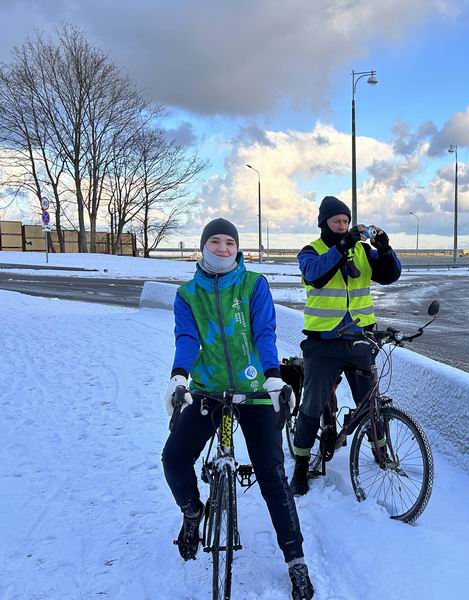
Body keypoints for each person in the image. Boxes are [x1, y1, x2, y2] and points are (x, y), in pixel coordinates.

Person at [161, 218, 314, 599]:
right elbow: (187, 337)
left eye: (230, 242)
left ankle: (295, 559)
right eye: (215, 241)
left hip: (256, 390)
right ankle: (194, 512)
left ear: (237, 248)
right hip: (208, 390)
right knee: (174, 458)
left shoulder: (253, 285)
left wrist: (274, 377)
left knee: (272, 476)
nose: (223, 248)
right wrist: (179, 377)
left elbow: (264, 333)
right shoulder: (188, 294)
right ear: (203, 247)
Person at [290, 196, 402, 495]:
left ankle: (381, 452)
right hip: (323, 343)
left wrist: (385, 248)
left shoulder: (363, 251)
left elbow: (390, 276)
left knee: (371, 405)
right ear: (324, 223)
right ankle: (301, 467)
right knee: (312, 407)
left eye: (346, 222)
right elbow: (316, 276)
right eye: (336, 222)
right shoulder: (310, 252)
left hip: (360, 341)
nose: (342, 226)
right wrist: (342, 246)